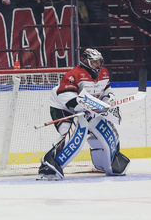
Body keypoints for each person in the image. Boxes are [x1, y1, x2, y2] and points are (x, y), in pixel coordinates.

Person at [38, 48, 128, 180]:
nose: (98, 65)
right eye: (94, 62)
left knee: (103, 129)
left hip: (89, 108)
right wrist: (86, 107)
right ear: (86, 61)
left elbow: (106, 92)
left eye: (99, 62)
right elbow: (66, 98)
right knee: (69, 133)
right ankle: (49, 164)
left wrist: (107, 103)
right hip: (62, 108)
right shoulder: (74, 74)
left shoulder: (104, 73)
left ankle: (111, 162)